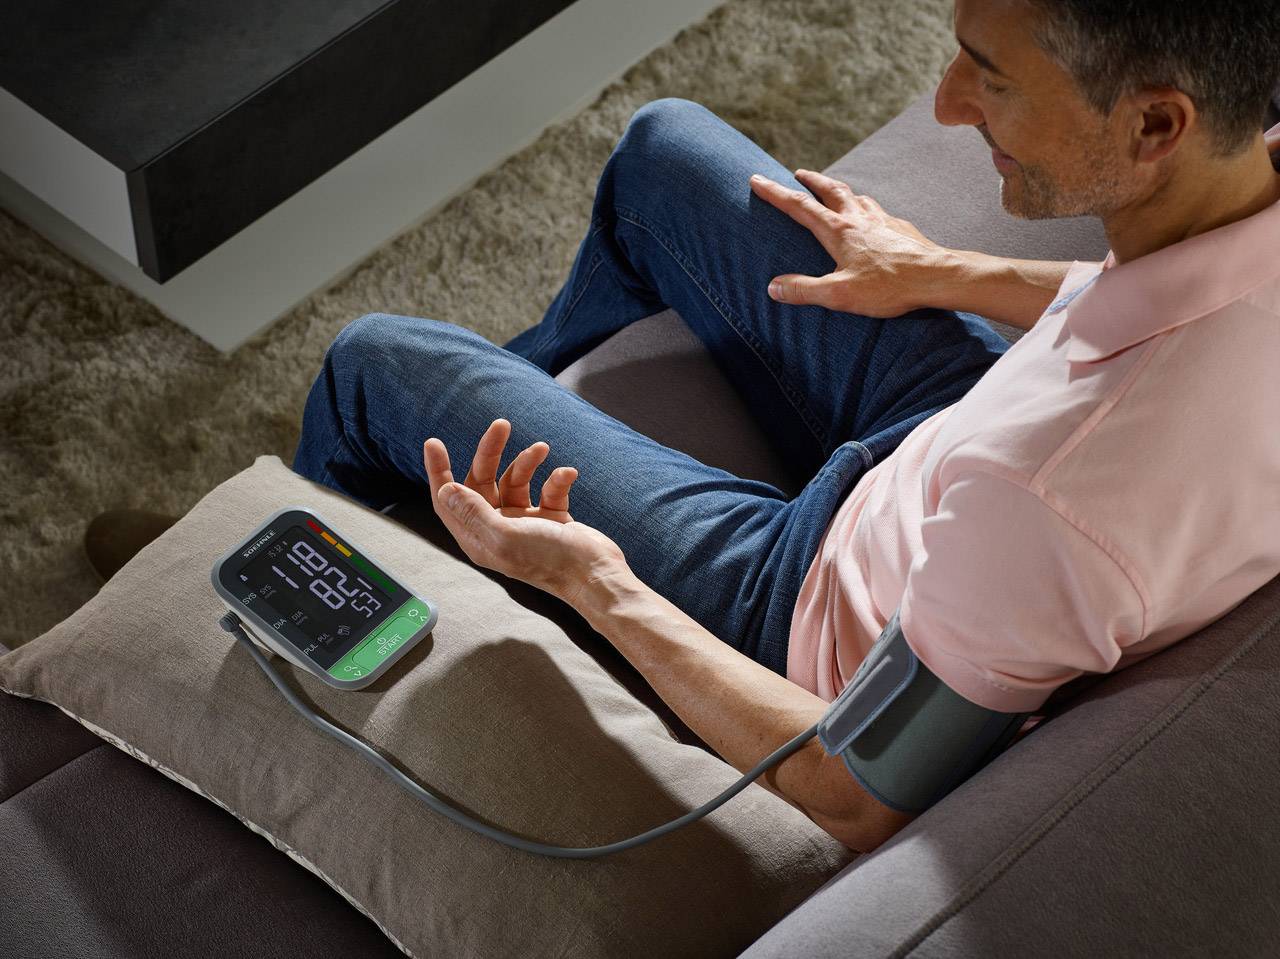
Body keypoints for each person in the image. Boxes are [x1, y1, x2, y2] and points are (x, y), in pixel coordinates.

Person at [88, 0, 1280, 852]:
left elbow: (850, 787)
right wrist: (936, 269)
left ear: (1154, 127)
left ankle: (250, 577)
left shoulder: (1051, 503)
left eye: (991, 74)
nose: (945, 101)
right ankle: (455, 484)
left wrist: (600, 585)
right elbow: (1145, 311)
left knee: (372, 366)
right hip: (955, 442)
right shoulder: (1244, 190)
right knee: (663, 151)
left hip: (807, 603)